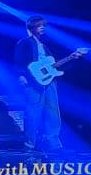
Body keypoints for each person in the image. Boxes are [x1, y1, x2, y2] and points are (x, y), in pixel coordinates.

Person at [14, 15, 63, 153]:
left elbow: (53, 65)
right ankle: (29, 144)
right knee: (33, 112)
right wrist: (20, 75)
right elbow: (18, 59)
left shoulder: (45, 46)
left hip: (49, 82)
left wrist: (73, 57)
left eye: (43, 26)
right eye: (39, 25)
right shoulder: (24, 43)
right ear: (32, 27)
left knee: (53, 112)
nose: (42, 28)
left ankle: (53, 143)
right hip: (32, 81)